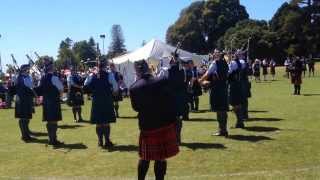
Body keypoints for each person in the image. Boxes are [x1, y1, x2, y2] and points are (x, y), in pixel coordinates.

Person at [129, 60, 179, 180]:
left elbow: (136, 108)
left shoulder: (134, 88)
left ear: (137, 71)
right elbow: (170, 99)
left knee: (145, 158)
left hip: (148, 127)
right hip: (165, 124)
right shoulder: (162, 80)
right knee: (161, 158)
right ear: (149, 68)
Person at [84, 60, 118, 149]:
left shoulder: (93, 75)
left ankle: (100, 141)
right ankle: (107, 141)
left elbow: (86, 85)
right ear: (104, 66)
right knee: (106, 122)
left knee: (98, 122)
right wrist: (114, 93)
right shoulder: (109, 74)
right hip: (107, 99)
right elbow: (115, 86)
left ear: (98, 66)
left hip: (96, 100)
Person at [199, 50, 229, 137]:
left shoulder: (215, 63)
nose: (213, 54)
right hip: (224, 88)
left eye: (215, 53)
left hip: (216, 89)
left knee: (219, 110)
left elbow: (207, 74)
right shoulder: (225, 63)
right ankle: (224, 129)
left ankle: (222, 130)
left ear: (217, 55)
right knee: (223, 110)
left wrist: (200, 81)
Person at [35, 59, 64, 146]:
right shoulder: (54, 78)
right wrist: (61, 97)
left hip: (46, 102)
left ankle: (51, 139)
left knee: (49, 121)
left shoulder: (42, 78)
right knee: (54, 121)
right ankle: (53, 140)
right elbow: (61, 89)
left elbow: (39, 89)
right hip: (54, 101)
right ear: (51, 68)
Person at [14, 64, 36, 142]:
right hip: (23, 100)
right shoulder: (21, 78)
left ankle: (26, 134)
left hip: (26, 100)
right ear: (24, 70)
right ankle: (25, 136)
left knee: (26, 118)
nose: (29, 70)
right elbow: (29, 88)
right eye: (27, 69)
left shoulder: (25, 77)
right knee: (23, 118)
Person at [228, 53, 246, 128]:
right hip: (240, 84)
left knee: (234, 104)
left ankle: (240, 122)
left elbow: (228, 72)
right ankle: (240, 122)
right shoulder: (242, 62)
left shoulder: (232, 63)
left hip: (233, 85)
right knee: (238, 104)